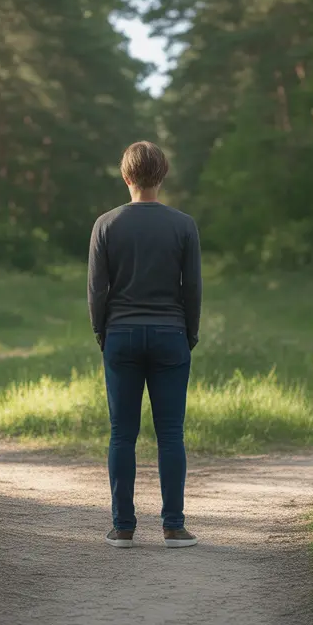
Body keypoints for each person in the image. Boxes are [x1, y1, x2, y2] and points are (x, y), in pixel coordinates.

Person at [88, 141, 201, 549]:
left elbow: (96, 291)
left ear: (126, 176)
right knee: (171, 433)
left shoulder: (106, 224)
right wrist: (189, 335)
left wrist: (103, 333)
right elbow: (193, 289)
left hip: (121, 336)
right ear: (163, 175)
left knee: (122, 434)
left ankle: (123, 527)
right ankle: (173, 527)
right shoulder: (183, 225)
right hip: (171, 335)